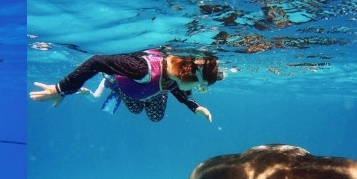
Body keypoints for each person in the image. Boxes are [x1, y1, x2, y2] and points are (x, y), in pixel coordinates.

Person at [30, 49, 224, 122]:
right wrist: (60, 89)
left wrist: (195, 106)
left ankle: (140, 92)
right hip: (132, 90)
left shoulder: (176, 76)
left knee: (156, 118)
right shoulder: (141, 68)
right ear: (186, 73)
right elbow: (97, 60)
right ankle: (114, 83)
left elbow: (178, 89)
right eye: (199, 86)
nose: (198, 90)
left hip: (155, 92)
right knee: (135, 110)